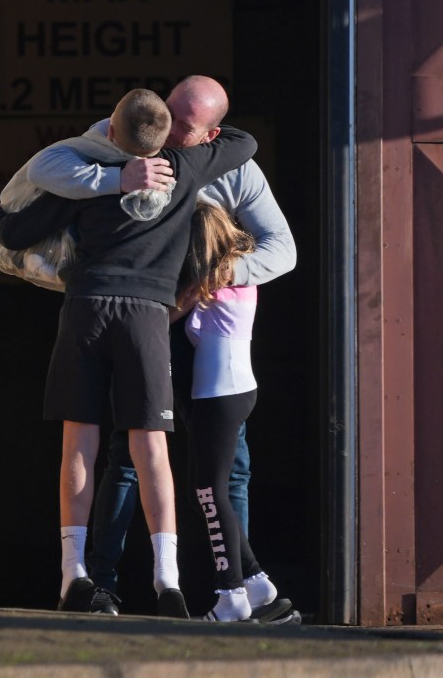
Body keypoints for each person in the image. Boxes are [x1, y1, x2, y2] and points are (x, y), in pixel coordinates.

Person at [25, 75, 296, 619]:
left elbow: (282, 249)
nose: (170, 134)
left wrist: (213, 275)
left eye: (187, 128)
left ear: (212, 134)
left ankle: (235, 588)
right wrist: (119, 176)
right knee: (128, 458)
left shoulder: (231, 167)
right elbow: (47, 171)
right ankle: (103, 587)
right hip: (146, 322)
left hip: (206, 332)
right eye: (167, 116)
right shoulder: (126, 141)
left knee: (223, 470)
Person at [173, 202, 277, 621]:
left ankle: (229, 593)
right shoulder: (240, 273)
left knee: (209, 492)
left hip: (220, 394)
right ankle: (254, 580)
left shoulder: (213, 278)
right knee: (216, 491)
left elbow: (169, 310)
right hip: (233, 389)